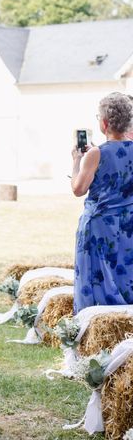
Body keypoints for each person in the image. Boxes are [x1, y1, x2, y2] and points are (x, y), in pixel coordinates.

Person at [71, 92, 133, 313]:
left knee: (94, 277)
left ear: (105, 123)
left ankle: (90, 323)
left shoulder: (96, 154)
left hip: (99, 228)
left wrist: (77, 161)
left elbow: (78, 189)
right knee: (126, 275)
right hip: (128, 226)